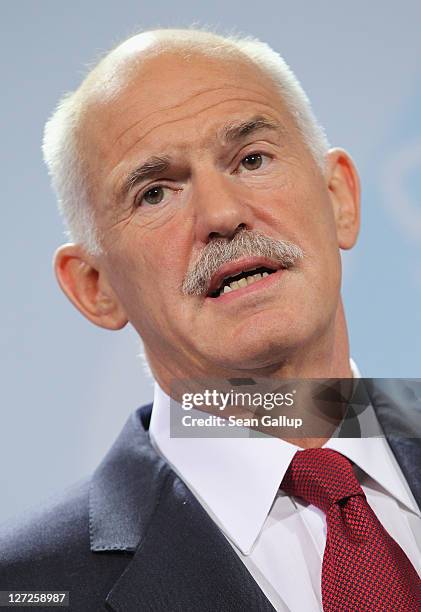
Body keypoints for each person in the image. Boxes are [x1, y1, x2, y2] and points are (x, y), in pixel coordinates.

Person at [0, 28, 420, 612]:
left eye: (252, 159)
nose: (222, 214)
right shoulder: (25, 588)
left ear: (339, 199)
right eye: (154, 193)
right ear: (96, 288)